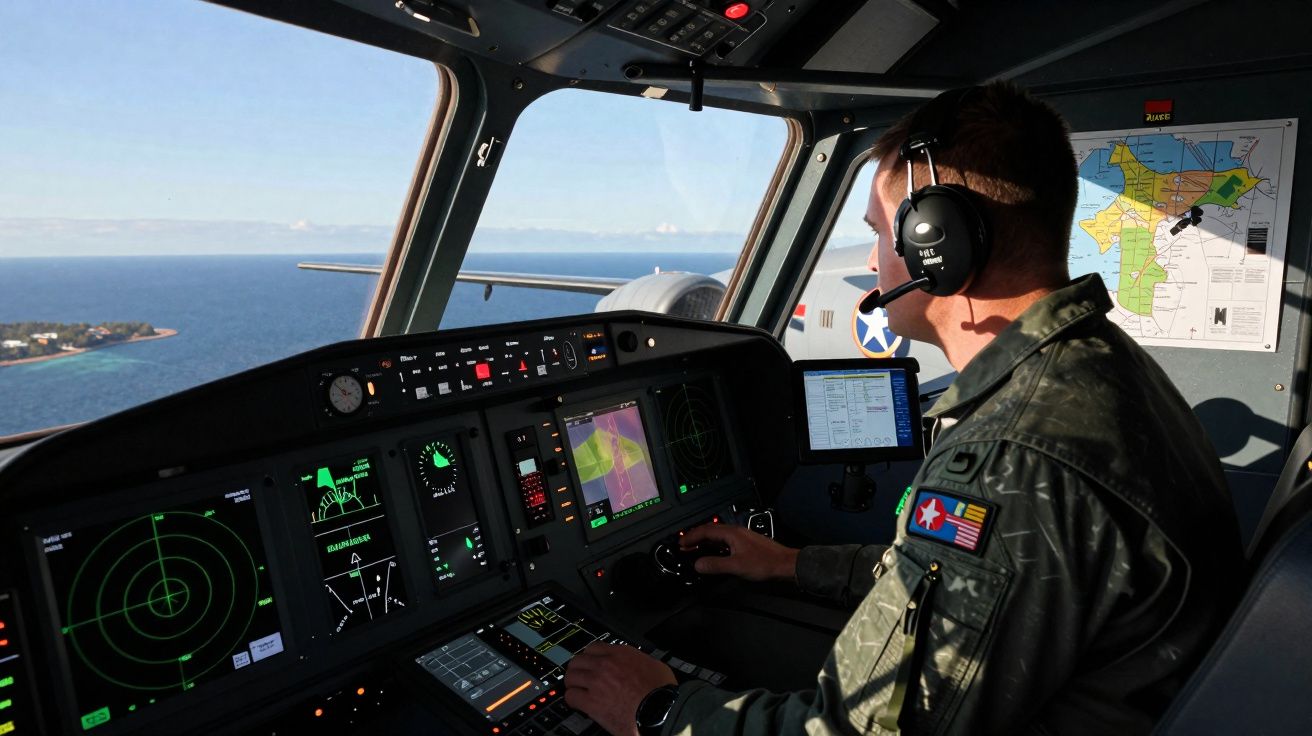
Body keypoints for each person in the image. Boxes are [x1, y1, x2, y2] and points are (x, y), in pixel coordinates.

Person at [563, 81, 1243, 735]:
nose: (871, 259)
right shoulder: (1095, 365)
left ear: (936, 244)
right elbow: (956, 584)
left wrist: (660, 713)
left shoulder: (1016, 456)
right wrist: (787, 564)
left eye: (879, 233)